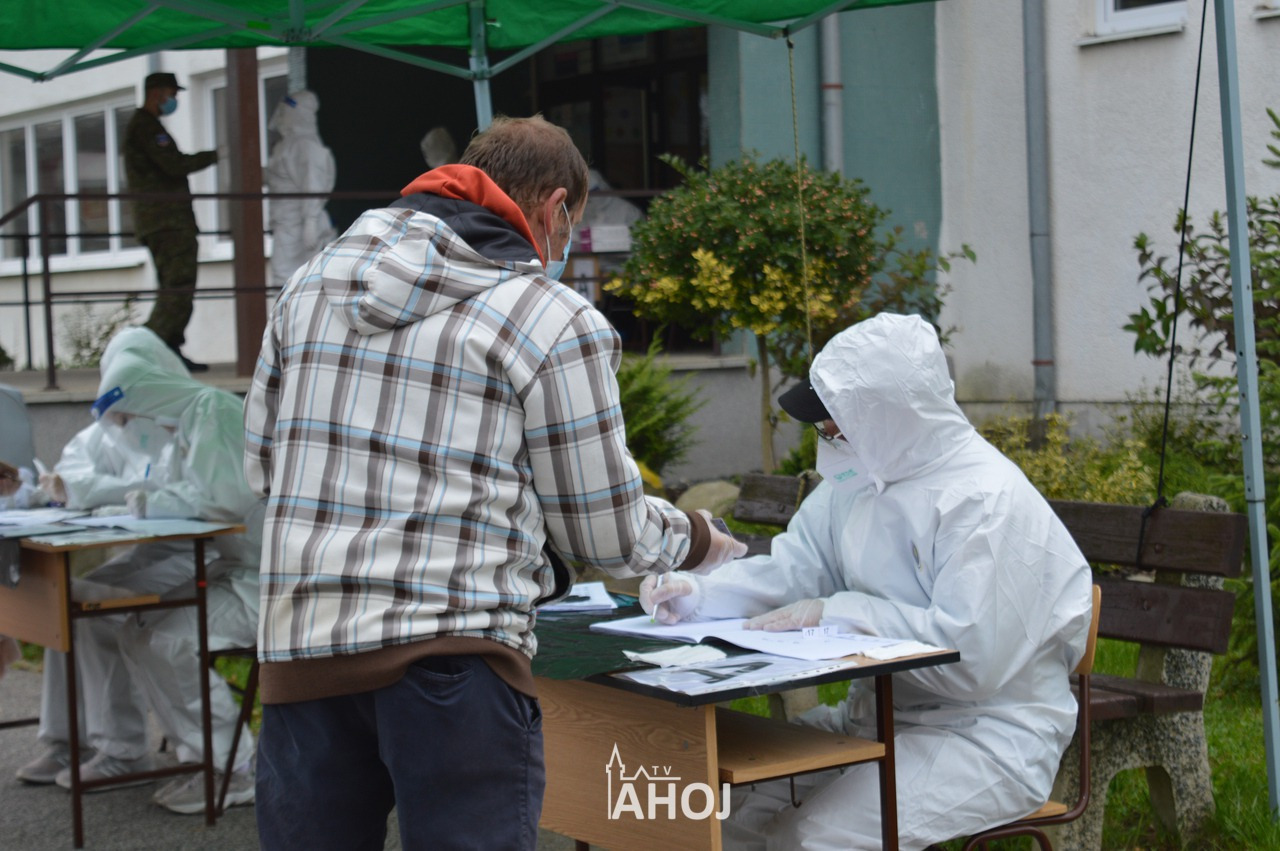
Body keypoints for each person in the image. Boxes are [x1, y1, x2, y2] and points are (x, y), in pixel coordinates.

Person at [244, 114, 746, 850]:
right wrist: (697, 538)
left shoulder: (307, 285)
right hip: (452, 664)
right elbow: (603, 533)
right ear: (556, 210)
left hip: (301, 654)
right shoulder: (550, 317)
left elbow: (261, 465)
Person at [641, 313, 1094, 850]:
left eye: (835, 424)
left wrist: (841, 614)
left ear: (887, 416)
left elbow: (971, 660)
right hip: (874, 719)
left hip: (991, 735)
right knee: (725, 813)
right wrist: (701, 595)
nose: (827, 437)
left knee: (816, 836)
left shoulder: (985, 501)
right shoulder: (861, 477)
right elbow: (798, 567)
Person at [16, 327, 261, 816]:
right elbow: (180, 494)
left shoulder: (211, 410)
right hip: (234, 566)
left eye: (130, 411)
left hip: (263, 578)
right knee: (128, 627)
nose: (127, 424)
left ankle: (233, 768)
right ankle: (203, 758)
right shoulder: (188, 420)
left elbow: (224, 500)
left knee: (163, 640)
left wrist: (144, 501)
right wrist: (140, 501)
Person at [123, 71, 219, 373]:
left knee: (176, 288)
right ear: (157, 93)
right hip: (167, 222)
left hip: (164, 221)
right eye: (172, 94)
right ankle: (148, 348)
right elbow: (173, 165)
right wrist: (216, 156)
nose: (174, 100)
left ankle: (167, 350)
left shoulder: (146, 125)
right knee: (177, 289)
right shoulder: (146, 127)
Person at [265, 90, 336, 289]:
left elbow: (314, 184)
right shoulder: (288, 145)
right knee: (287, 278)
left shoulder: (305, 145)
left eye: (285, 111)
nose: (281, 116)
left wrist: (310, 221)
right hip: (286, 222)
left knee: (290, 277)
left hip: (297, 224)